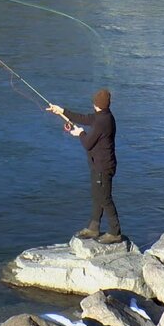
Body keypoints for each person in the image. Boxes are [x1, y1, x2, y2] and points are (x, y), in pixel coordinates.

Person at [46, 88, 123, 244]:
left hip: (103, 166)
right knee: (97, 196)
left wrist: (79, 133)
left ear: (96, 103)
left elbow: (88, 143)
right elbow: (84, 118)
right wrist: (62, 111)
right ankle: (93, 228)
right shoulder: (104, 115)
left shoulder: (102, 121)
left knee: (105, 198)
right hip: (98, 164)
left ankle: (115, 232)